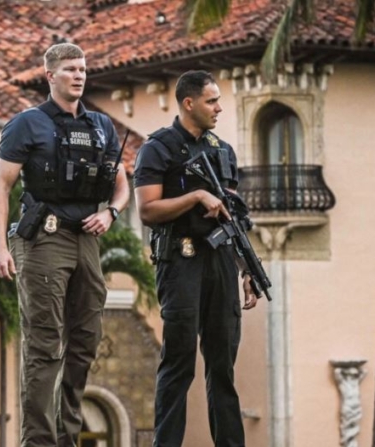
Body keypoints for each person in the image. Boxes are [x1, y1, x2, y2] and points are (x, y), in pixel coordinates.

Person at [0, 43, 129, 447]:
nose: (79, 76)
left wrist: (112, 213)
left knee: (85, 342)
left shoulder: (102, 126)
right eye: (70, 69)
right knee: (45, 344)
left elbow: (122, 185)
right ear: (50, 76)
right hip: (44, 239)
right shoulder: (26, 124)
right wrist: (1, 246)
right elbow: (0, 186)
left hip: (87, 239)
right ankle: (38, 441)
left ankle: (67, 437)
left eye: (83, 69)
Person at [133, 70, 258, 447]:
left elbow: (231, 217)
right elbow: (147, 211)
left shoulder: (223, 151)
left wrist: (246, 269)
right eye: (211, 100)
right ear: (189, 103)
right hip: (180, 260)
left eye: (219, 100)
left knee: (222, 368)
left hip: (220, 260)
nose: (219, 108)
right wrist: (194, 197)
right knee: (179, 364)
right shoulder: (158, 148)